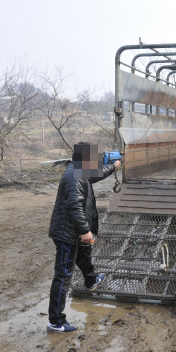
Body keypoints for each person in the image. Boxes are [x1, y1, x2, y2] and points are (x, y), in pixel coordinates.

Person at [47, 142, 121, 333]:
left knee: (84, 254)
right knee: (63, 276)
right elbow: (74, 205)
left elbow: (96, 174)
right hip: (68, 234)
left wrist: (113, 167)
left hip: (73, 231)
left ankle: (90, 280)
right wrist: (83, 231)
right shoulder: (74, 177)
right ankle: (55, 321)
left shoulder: (80, 170)